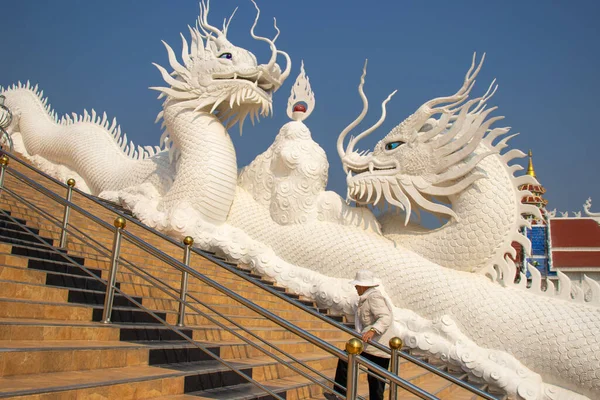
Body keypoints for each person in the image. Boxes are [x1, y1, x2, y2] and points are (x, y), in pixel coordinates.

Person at [325, 270, 394, 400]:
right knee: (376, 381)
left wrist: (373, 331)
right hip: (375, 345)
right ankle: (341, 394)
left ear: (363, 286)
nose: (356, 288)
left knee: (348, 359)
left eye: (357, 286)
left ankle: (340, 394)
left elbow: (385, 317)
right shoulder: (367, 298)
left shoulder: (373, 297)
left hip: (376, 344)